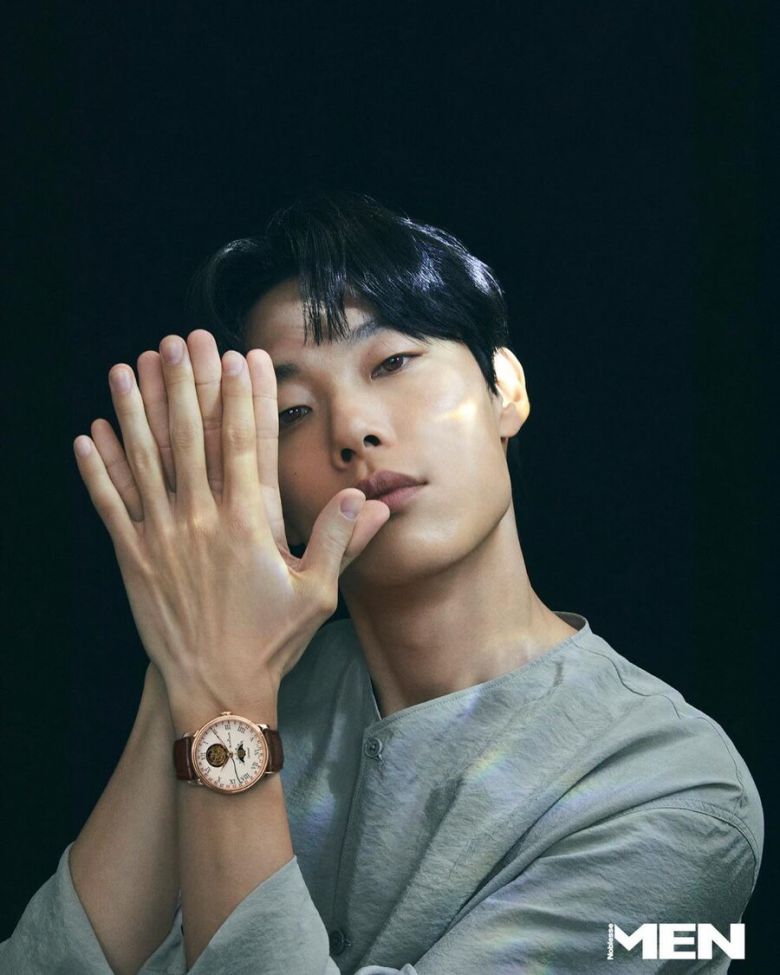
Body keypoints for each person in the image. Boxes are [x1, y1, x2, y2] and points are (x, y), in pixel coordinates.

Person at [1, 192, 763, 974]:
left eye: (393, 363)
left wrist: (222, 692)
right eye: (292, 411)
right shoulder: (238, 678)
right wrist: (189, 653)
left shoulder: (673, 787)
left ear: (506, 388)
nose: (352, 429)